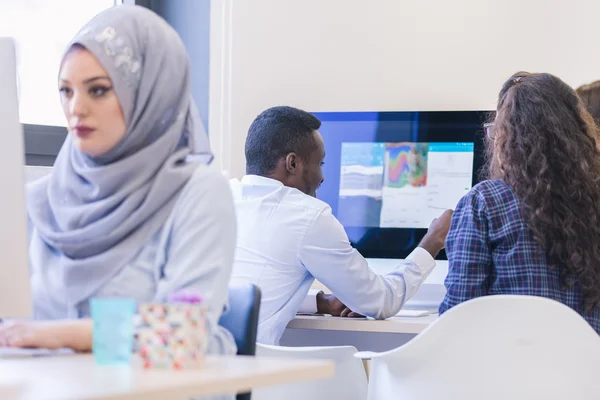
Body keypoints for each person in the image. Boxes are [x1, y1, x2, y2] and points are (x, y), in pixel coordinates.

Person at [0, 5, 237, 355]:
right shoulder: (38, 202)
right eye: (65, 91)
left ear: (150, 94)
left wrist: (60, 334)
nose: (75, 109)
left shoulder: (197, 193)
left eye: (97, 90)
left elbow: (184, 332)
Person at [229, 106, 453, 345]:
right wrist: (432, 242)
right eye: (320, 163)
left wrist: (321, 302)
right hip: (245, 371)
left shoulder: (227, 198)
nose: (323, 177)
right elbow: (382, 301)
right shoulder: (309, 216)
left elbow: (247, 291)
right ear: (292, 163)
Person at [440, 72, 600, 333]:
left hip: (508, 370)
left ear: (506, 136)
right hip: (587, 371)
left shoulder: (484, 203)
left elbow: (456, 318)